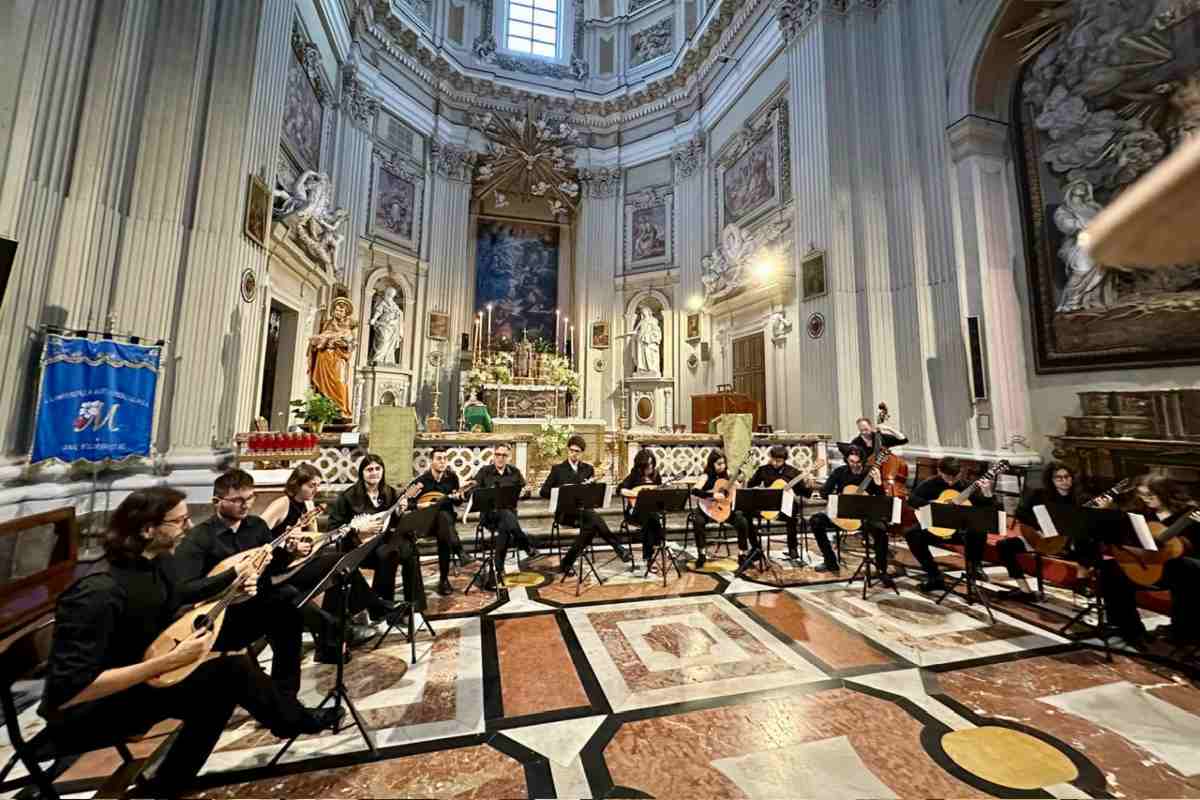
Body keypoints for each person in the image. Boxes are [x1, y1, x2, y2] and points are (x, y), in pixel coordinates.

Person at [38, 488, 339, 797]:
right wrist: (168, 661)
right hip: (91, 710)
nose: (188, 527)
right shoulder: (98, 591)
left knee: (228, 674)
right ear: (147, 529)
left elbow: (181, 598)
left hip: (144, 679)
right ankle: (291, 721)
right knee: (225, 679)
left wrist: (234, 593)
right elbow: (69, 691)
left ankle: (169, 785)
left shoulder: (159, 563)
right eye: (180, 521)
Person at [1100, 475, 1200, 651]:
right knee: (1110, 570)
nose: (1145, 499)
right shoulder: (1142, 513)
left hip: (1176, 569)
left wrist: (1179, 546)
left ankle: (1184, 631)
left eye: (1150, 495)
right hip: (1147, 565)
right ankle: (1129, 630)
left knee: (1186, 567)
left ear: (1166, 493)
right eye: (1142, 495)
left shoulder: (1190, 514)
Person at [325, 455, 428, 617]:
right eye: (369, 469)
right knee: (388, 554)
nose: (374, 473)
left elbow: (394, 524)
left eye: (377, 469)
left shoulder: (390, 492)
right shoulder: (348, 497)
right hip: (358, 548)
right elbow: (333, 527)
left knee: (410, 551)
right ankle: (380, 610)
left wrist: (400, 511)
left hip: (383, 544)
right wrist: (358, 529)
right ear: (362, 473)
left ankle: (414, 608)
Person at [541, 434, 631, 575]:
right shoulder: (558, 469)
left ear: (582, 453)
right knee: (593, 519)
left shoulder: (588, 469)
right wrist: (563, 492)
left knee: (590, 526)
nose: (573, 454)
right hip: (565, 514)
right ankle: (618, 547)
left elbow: (592, 496)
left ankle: (566, 562)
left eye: (577, 451)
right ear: (567, 450)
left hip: (583, 512)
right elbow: (543, 491)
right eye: (571, 450)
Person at [994, 461, 1086, 599]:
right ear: (1051, 480)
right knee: (1004, 546)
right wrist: (1038, 530)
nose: (1064, 481)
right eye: (1058, 478)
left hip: (1066, 543)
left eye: (1067, 477)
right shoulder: (1039, 495)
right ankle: (1024, 591)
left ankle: (1081, 583)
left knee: (1086, 542)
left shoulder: (1079, 499)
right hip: (1039, 539)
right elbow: (1021, 514)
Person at [903, 456, 994, 593]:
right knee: (912, 534)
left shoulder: (967, 486)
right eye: (947, 477)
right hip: (936, 529)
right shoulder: (930, 483)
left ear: (960, 472)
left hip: (959, 532)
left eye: (955, 477)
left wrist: (987, 492)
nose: (951, 480)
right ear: (940, 471)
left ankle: (975, 569)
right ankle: (934, 576)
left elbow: (988, 507)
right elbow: (912, 499)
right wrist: (933, 505)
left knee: (978, 530)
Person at [805, 446, 889, 583]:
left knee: (881, 529)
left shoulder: (871, 473)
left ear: (863, 461)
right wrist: (838, 496)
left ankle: (881, 569)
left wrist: (878, 483)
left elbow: (881, 499)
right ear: (847, 460)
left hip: (864, 516)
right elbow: (824, 493)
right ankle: (830, 560)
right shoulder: (840, 472)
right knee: (816, 521)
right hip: (842, 514)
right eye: (851, 462)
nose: (855, 465)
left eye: (858, 462)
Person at [411, 446, 476, 595]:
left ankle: (444, 580)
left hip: (445, 524)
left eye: (445, 458)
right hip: (427, 523)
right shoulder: (421, 482)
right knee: (443, 520)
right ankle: (459, 553)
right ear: (431, 461)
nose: (442, 462)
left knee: (444, 527)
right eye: (439, 458)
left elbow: (456, 502)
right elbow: (406, 502)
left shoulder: (451, 478)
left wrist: (460, 497)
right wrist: (422, 504)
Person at [474, 442, 538, 590]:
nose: (500, 458)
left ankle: (498, 569)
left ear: (508, 457)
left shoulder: (515, 472)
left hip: (508, 516)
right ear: (493, 455)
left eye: (504, 455)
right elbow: (475, 492)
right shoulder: (484, 472)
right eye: (498, 455)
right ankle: (525, 545)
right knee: (507, 518)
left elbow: (525, 492)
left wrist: (525, 493)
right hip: (489, 515)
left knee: (506, 525)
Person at [690, 450, 758, 572]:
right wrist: (712, 495)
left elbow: (738, 488)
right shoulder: (706, 475)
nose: (722, 466)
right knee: (697, 520)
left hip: (724, 510)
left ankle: (742, 554)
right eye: (718, 464)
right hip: (707, 509)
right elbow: (694, 491)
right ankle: (702, 555)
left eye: (723, 463)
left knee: (742, 521)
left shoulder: (727, 474)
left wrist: (740, 482)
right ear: (712, 464)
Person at [747, 444, 802, 561]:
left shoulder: (793, 472)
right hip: (767, 506)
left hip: (784, 507)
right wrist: (758, 489)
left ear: (784, 460)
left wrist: (807, 484)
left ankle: (793, 547)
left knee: (792, 511)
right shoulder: (763, 470)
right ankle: (755, 547)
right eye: (773, 460)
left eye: (779, 461)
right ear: (770, 457)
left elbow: (805, 492)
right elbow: (750, 485)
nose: (776, 463)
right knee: (746, 512)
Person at [620, 449, 666, 563]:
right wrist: (636, 494)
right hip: (634, 512)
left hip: (652, 512)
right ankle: (659, 545)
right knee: (650, 518)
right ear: (640, 465)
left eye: (652, 464)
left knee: (651, 518)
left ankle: (649, 557)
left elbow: (660, 494)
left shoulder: (656, 476)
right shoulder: (634, 476)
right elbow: (620, 490)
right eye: (647, 465)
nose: (650, 467)